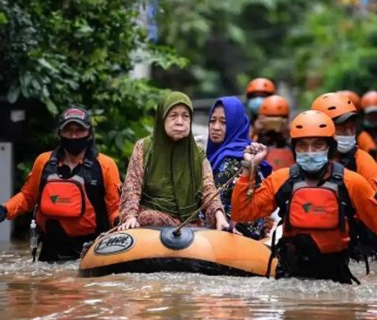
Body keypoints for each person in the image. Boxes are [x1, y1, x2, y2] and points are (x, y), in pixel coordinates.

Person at [231, 111, 377, 288]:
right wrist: (248, 169)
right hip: (291, 280)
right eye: (303, 146)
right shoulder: (281, 180)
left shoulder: (352, 183)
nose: (310, 151)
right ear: (295, 149)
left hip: (337, 280)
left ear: (329, 148)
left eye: (317, 145)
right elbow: (242, 213)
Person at [0, 106, 121, 261]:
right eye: (68, 130)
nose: (74, 135)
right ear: (60, 133)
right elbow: (27, 197)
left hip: (91, 251)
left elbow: (114, 208)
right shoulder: (44, 162)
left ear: (89, 133)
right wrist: (3, 210)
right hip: (50, 251)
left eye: (79, 130)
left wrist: (121, 222)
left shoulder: (105, 165)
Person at [312, 92, 377, 274]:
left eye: (351, 128)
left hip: (359, 243)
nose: (347, 134)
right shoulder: (305, 161)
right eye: (341, 128)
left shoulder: (363, 161)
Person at [119, 92, 230, 231]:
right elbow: (132, 187)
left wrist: (219, 217)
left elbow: (209, 190)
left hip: (190, 223)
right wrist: (130, 217)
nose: (179, 122)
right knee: (147, 217)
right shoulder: (144, 147)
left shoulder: (197, 152)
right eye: (173, 116)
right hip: (152, 221)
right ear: (162, 119)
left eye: (185, 116)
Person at [206, 96, 272, 239]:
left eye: (223, 122)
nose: (215, 127)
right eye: (212, 120)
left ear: (235, 125)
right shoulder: (217, 155)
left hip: (235, 237)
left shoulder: (234, 160)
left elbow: (212, 202)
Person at [255, 95, 295, 171]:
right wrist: (256, 131)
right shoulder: (257, 138)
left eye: (277, 118)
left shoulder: (291, 140)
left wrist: (288, 130)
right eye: (270, 118)